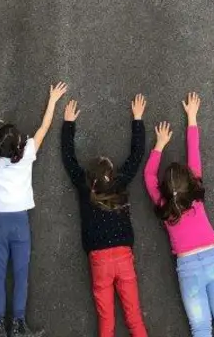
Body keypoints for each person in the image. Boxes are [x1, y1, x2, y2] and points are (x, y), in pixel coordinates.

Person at [0, 81, 66, 337]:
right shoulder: (29, 152)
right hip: (20, 222)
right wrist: (52, 100)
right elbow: (44, 127)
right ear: (19, 146)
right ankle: (19, 325)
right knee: (21, 274)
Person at [146, 92, 214, 337]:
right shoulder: (196, 196)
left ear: (164, 190)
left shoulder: (164, 206)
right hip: (213, 258)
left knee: (200, 328)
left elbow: (148, 177)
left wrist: (159, 145)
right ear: (190, 181)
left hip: (187, 267)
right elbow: (194, 152)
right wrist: (191, 117)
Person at [61, 93, 149, 337]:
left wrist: (68, 124)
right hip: (123, 255)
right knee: (134, 318)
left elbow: (69, 159)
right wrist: (138, 120)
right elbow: (136, 156)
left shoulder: (84, 186)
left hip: (99, 259)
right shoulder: (119, 184)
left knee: (106, 320)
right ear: (112, 174)